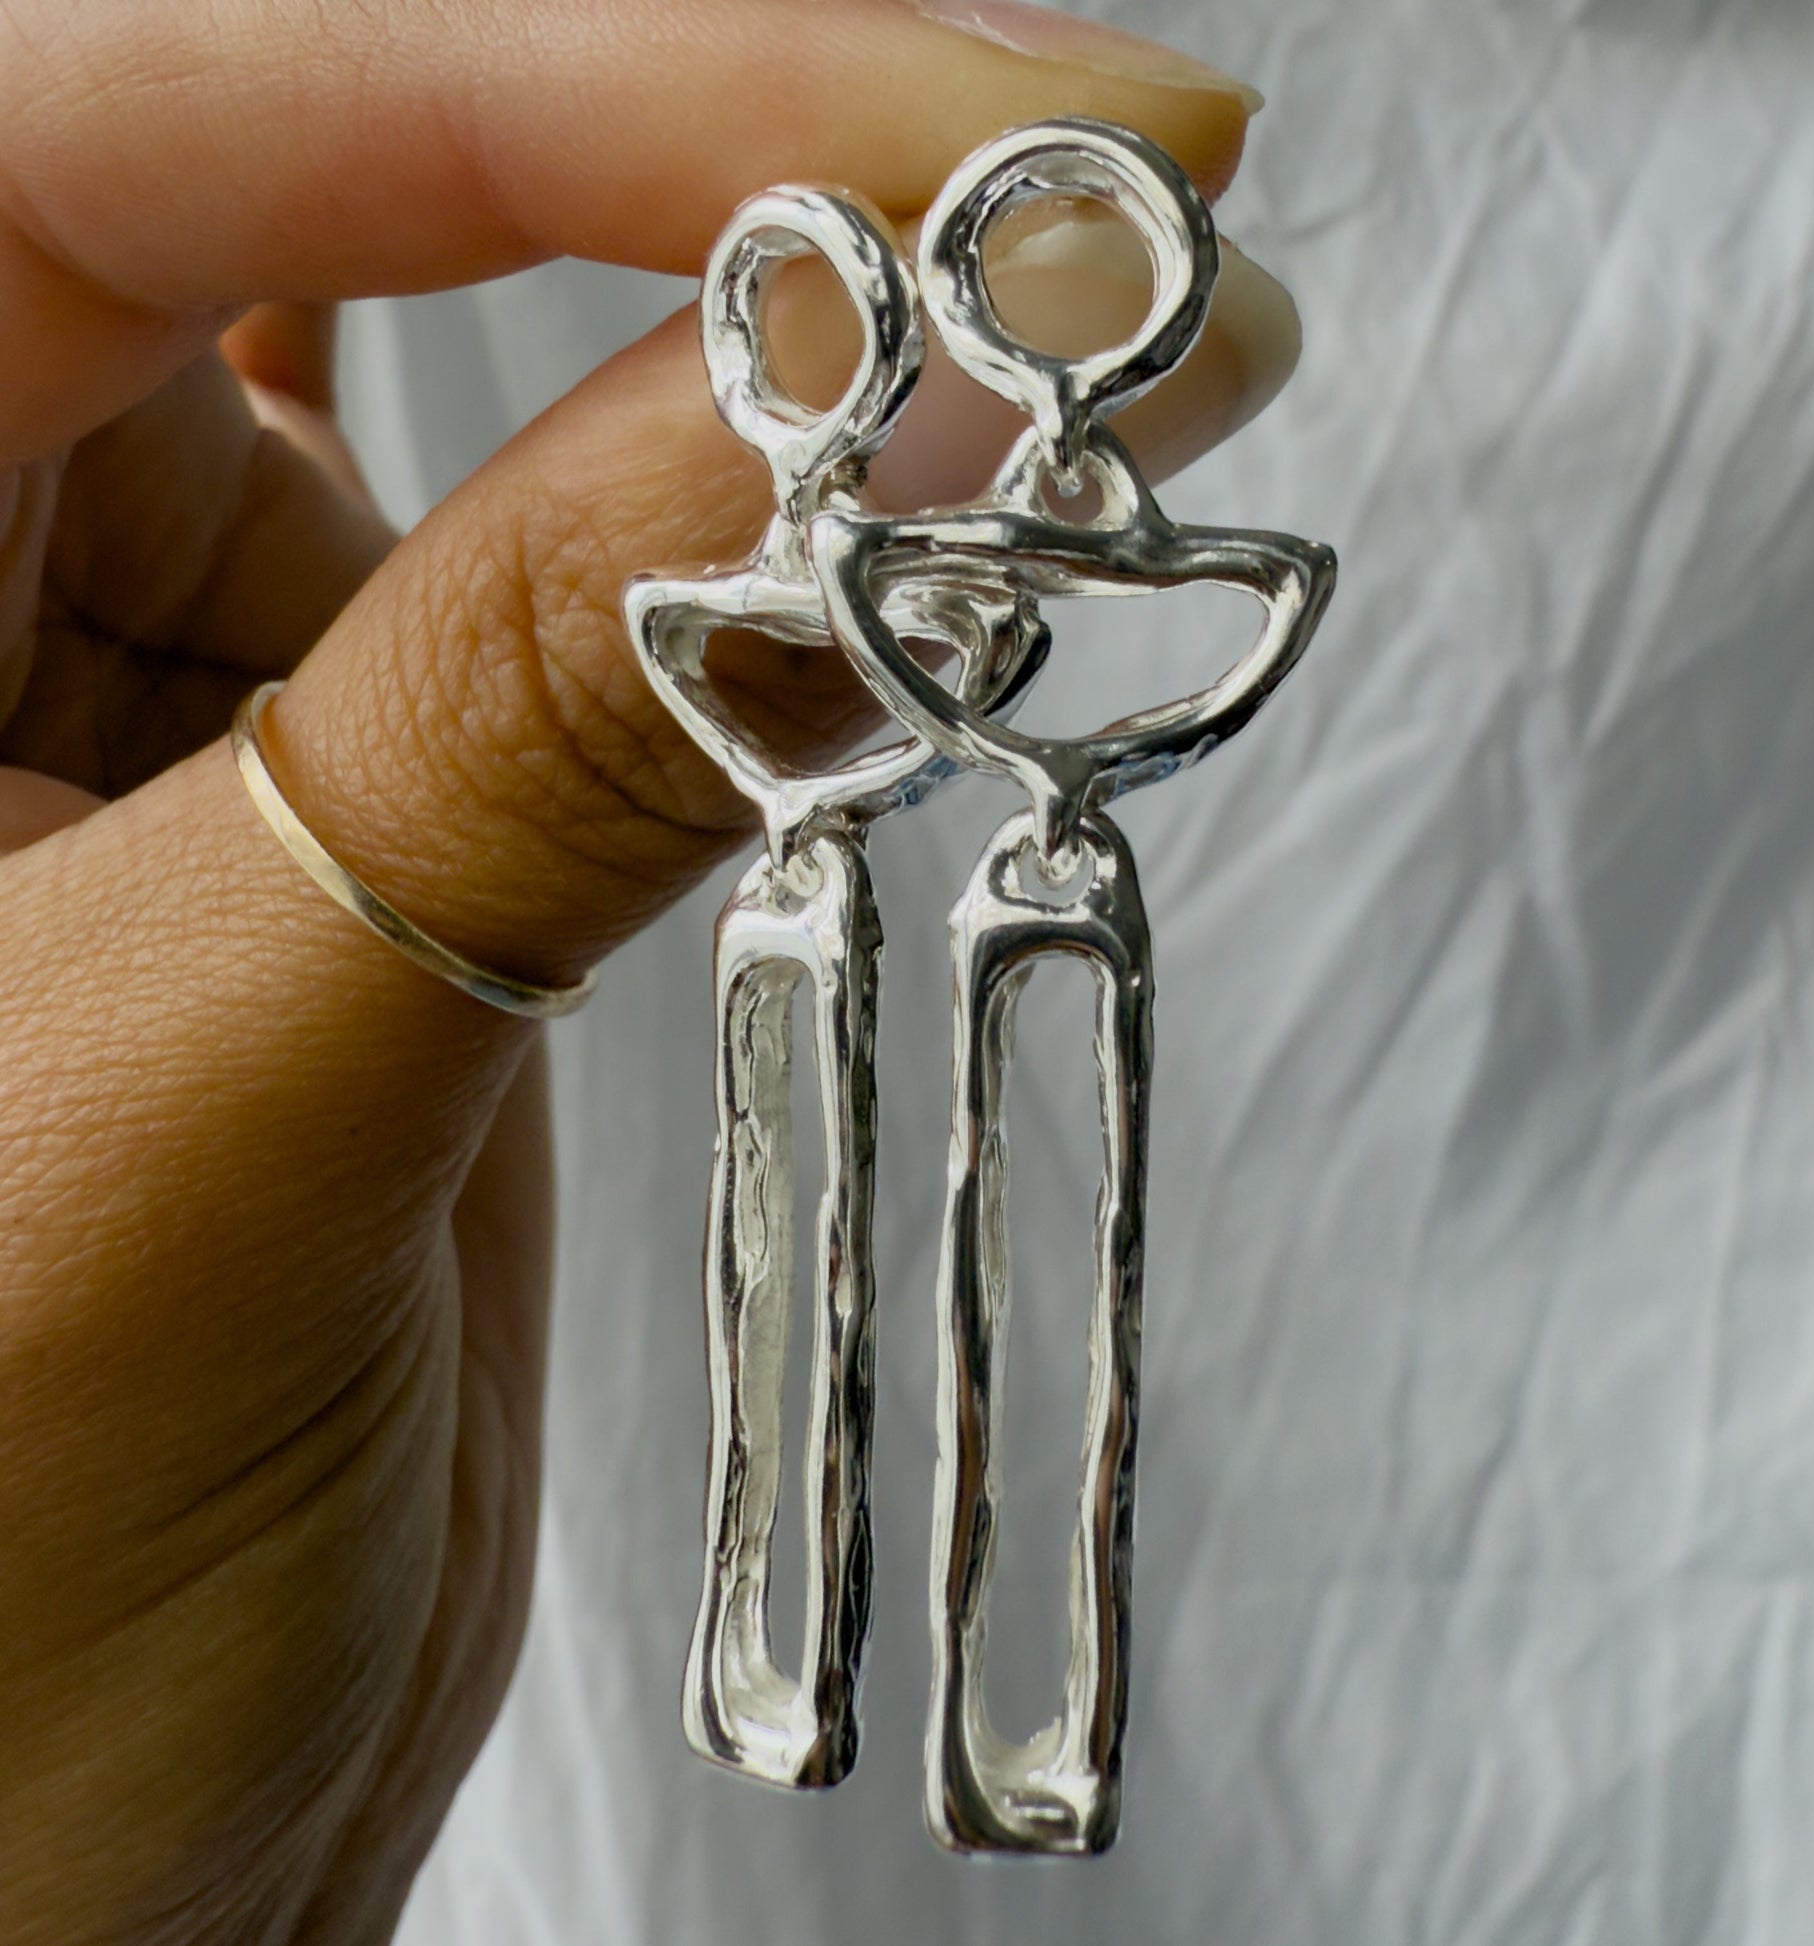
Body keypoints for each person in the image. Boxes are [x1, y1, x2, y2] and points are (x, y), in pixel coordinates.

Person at [0, 1, 1293, 1936]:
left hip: (970, 849)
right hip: (849, 859)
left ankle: (976, 1712)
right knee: (839, 1224)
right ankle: (810, 1678)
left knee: (1012, 1284)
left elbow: (1260, 597)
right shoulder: (813, 608)